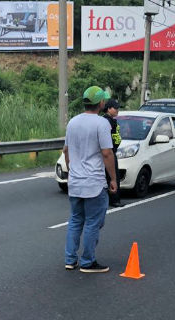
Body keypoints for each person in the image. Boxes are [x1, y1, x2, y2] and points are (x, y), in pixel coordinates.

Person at [63, 86, 118, 273]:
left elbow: (66, 150)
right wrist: (113, 178)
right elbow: (106, 153)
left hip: (75, 182)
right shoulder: (102, 124)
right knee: (94, 222)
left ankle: (70, 259)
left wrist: (72, 171)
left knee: (76, 220)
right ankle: (87, 261)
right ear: (101, 103)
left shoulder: (72, 122)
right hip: (93, 182)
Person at [102, 99, 125, 208]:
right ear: (109, 108)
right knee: (112, 175)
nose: (117, 110)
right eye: (115, 108)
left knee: (109, 176)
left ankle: (112, 198)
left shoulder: (110, 120)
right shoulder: (106, 121)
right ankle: (115, 200)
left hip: (112, 150)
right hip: (109, 151)